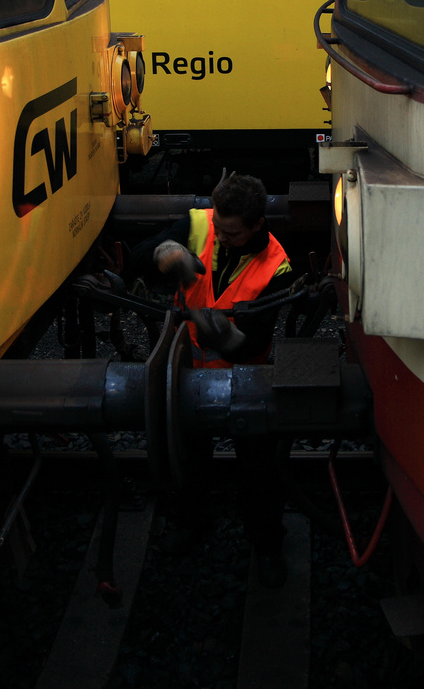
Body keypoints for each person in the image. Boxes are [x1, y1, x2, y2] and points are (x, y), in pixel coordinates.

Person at [128, 174, 291, 587]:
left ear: (257, 225)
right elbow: (138, 255)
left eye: (231, 232)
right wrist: (167, 254)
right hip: (187, 374)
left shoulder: (277, 267)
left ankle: (267, 545)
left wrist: (225, 335)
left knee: (258, 472)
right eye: (219, 225)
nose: (220, 234)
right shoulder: (202, 223)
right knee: (190, 459)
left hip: (245, 380)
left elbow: (254, 344)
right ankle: (191, 524)